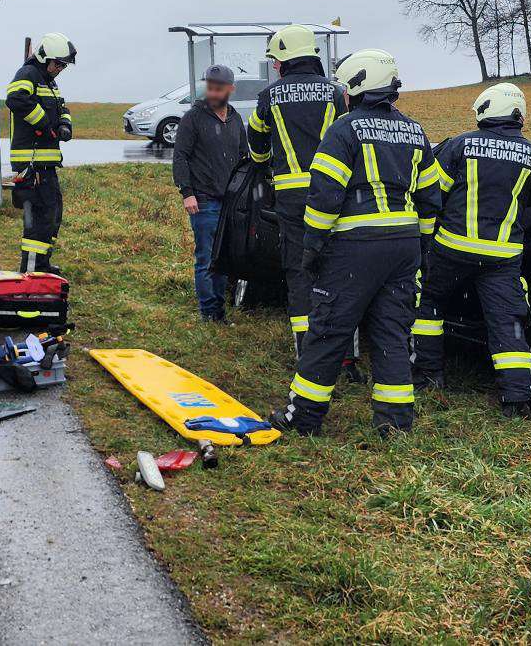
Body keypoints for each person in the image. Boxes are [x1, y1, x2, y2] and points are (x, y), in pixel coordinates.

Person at [272, 49, 436, 438]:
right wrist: (422, 247)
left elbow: (324, 196)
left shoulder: (344, 130)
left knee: (328, 330)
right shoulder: (415, 130)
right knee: (392, 333)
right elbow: (430, 198)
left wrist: (312, 247)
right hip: (403, 246)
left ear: (357, 88)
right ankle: (395, 425)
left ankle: (304, 418)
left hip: (354, 247)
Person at [411, 83, 531, 417]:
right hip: (501, 259)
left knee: (430, 306)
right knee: (507, 324)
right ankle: (515, 400)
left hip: (451, 250)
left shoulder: (460, 145)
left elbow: (430, 191)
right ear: (517, 115)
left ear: (486, 110)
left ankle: (428, 375)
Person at [246, 24, 347, 356]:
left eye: (276, 60)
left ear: (285, 59)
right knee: (338, 269)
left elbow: (257, 141)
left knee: (299, 270)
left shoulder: (270, 97)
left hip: (291, 198)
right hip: (333, 194)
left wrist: (264, 163)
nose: (275, 65)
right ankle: (346, 354)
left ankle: (308, 353)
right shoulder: (334, 93)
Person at [173, 65, 246, 322]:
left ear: (230, 89)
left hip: (230, 203)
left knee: (224, 259)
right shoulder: (193, 118)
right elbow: (180, 156)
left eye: (219, 89)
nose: (213, 93)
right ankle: (209, 313)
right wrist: (187, 192)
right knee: (206, 258)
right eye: (210, 88)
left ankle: (219, 311)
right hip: (203, 200)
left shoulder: (236, 119)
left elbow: (243, 157)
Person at [6, 32, 76, 273]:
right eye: (58, 64)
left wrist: (65, 125)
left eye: (63, 66)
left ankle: (41, 264)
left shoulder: (49, 81)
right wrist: (45, 124)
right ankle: (33, 270)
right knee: (39, 218)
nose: (60, 69)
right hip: (32, 164)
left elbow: (62, 107)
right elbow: (16, 100)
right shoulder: (28, 74)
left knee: (52, 213)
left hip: (46, 164)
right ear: (45, 57)